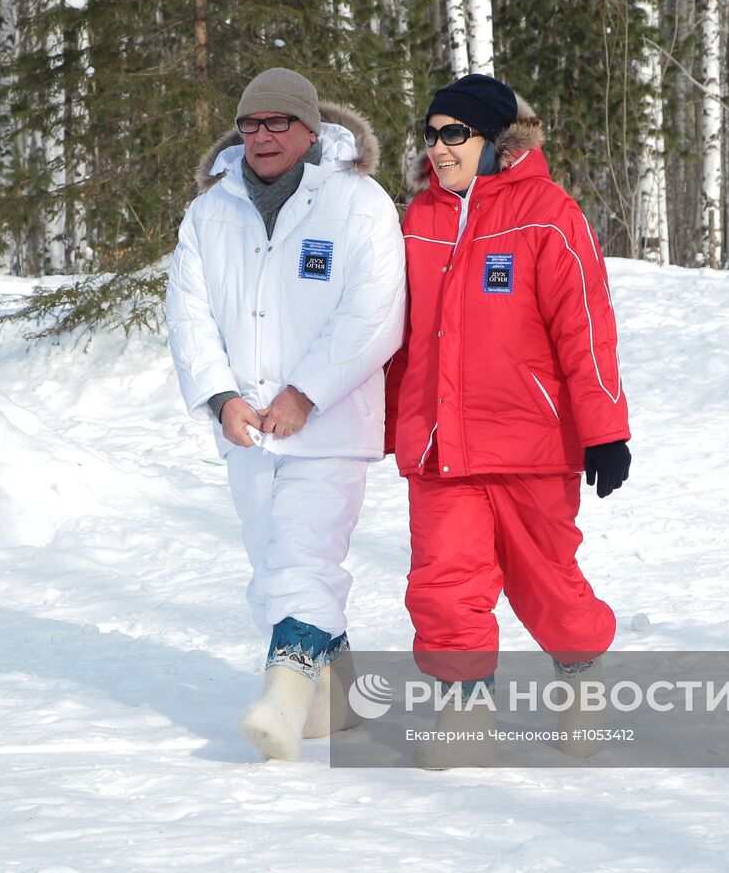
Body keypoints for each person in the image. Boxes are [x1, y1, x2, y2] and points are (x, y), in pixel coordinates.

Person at [385, 73, 632, 768]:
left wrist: (604, 429)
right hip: (440, 447)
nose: (439, 148)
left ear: (493, 139)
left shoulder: (549, 213)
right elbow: (392, 336)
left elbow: (587, 328)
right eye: (430, 135)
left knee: (548, 584)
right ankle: (465, 709)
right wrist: (380, 425)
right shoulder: (417, 219)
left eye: (453, 133)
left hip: (530, 442)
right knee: (443, 582)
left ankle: (581, 674)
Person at [165, 68, 405, 761]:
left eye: (277, 124)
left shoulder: (358, 204)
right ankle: (342, 697)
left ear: (309, 130)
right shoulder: (211, 212)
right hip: (249, 427)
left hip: (330, 424)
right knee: (276, 566)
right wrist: (220, 396)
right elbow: (189, 312)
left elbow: (376, 311)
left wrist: (306, 391)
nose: (261, 137)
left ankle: (283, 698)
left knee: (303, 554)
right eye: (249, 125)